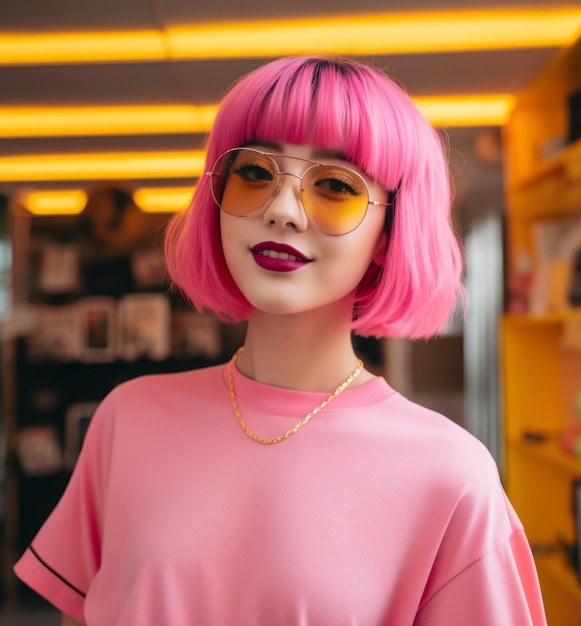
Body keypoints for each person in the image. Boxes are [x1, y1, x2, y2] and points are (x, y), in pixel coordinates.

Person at [14, 56, 547, 625]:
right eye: (254, 173)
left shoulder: (448, 473)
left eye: (336, 185)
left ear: (391, 231)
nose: (283, 209)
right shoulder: (129, 417)